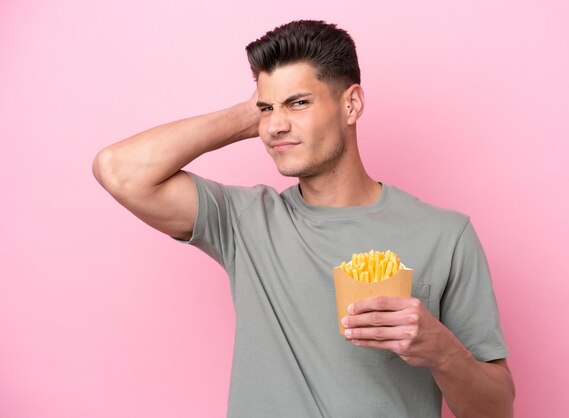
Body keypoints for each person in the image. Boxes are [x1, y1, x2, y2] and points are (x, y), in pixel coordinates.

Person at [93, 20, 514, 418]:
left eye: (299, 102)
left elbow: (497, 410)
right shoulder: (244, 222)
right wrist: (254, 113)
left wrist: (441, 349)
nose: (276, 125)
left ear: (351, 104)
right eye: (266, 108)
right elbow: (120, 170)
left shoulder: (445, 235)